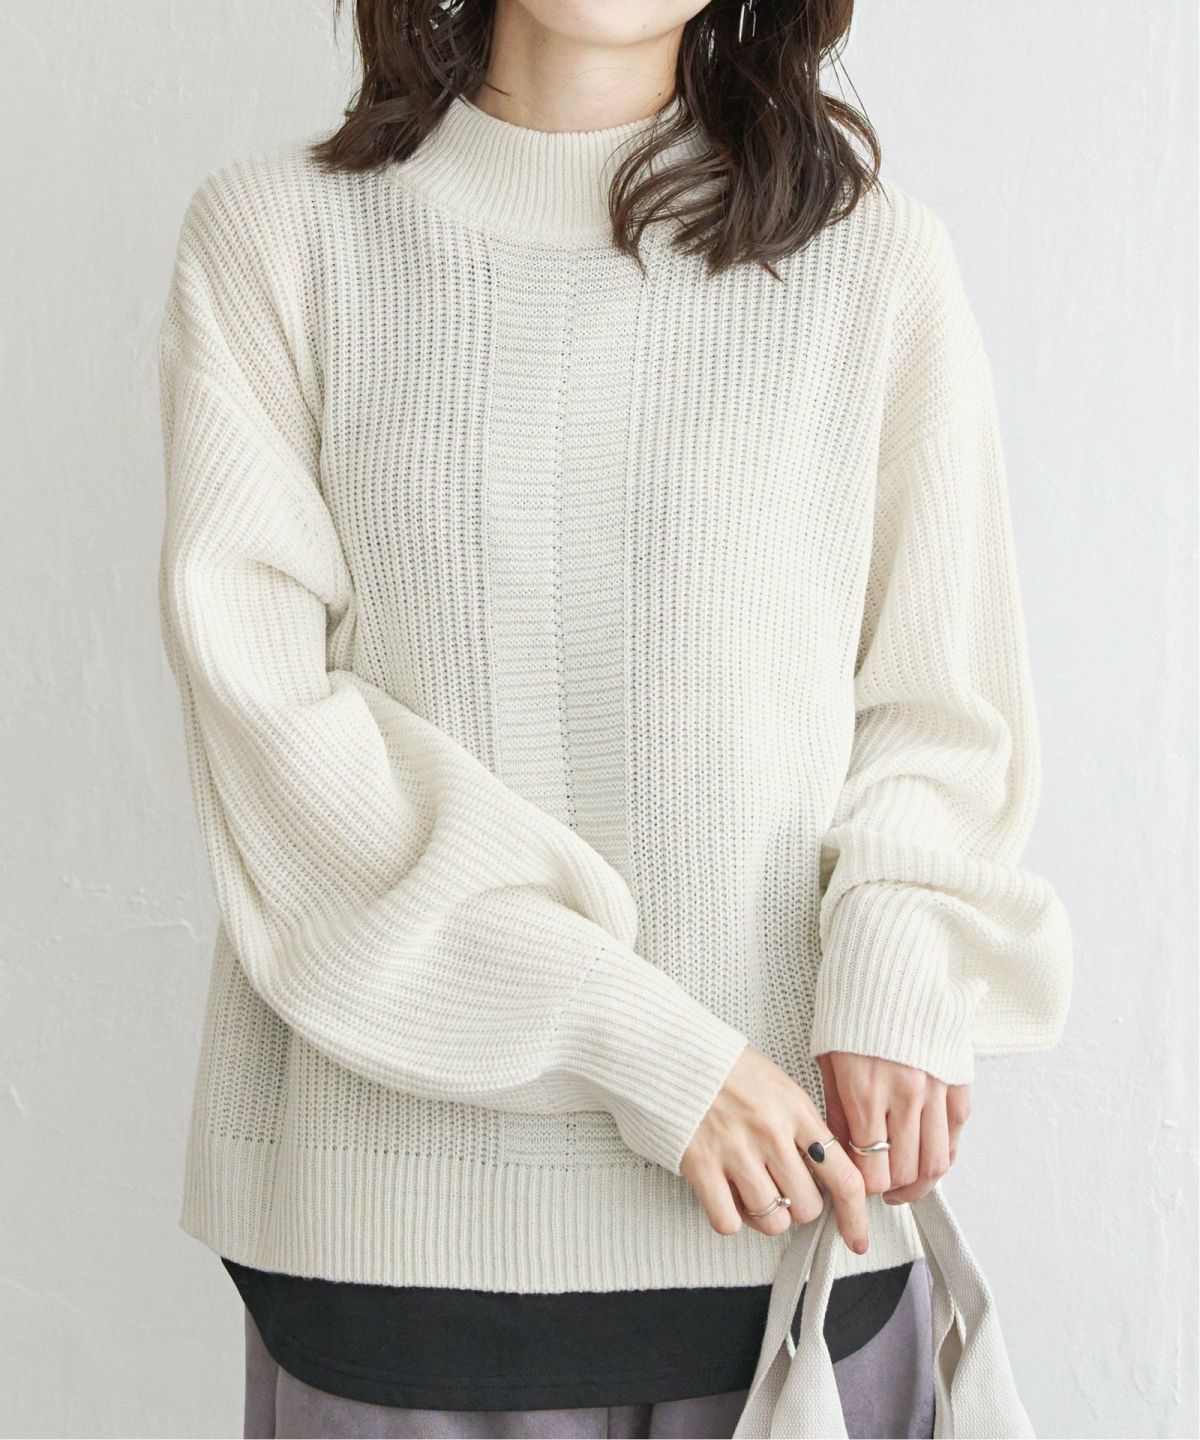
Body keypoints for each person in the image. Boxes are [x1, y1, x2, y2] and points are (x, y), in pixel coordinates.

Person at [154, 1, 1073, 1437]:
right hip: (402, 1257)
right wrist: (651, 1055)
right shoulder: (278, 242)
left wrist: (899, 958)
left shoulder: (871, 266)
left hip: (788, 1251)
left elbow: (939, 709)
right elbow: (279, 749)